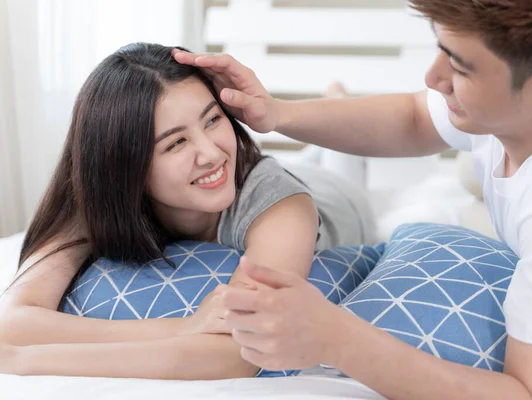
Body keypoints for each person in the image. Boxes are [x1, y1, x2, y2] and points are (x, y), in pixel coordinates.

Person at [171, 0, 532, 398]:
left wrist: (336, 339)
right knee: (470, 176)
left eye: (461, 68)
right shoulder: (517, 113)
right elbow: (414, 119)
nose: (433, 78)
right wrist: (276, 113)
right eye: (440, 49)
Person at [0, 42, 374, 380]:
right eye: (176, 142)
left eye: (213, 119)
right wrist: (182, 326)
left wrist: (26, 361)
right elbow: (12, 323)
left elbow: (240, 353)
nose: (210, 152)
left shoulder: (281, 205)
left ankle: (336, 103)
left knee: (340, 164)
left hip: (334, 199)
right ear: (124, 167)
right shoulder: (91, 203)